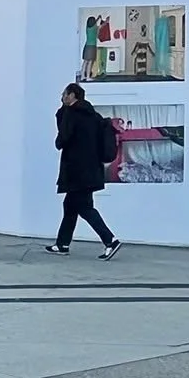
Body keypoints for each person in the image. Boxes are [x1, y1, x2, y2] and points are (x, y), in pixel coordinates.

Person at [46, 84, 122, 259]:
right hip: (91, 169)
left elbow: (63, 139)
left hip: (76, 170)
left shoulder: (71, 114)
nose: (62, 97)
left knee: (85, 208)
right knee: (70, 206)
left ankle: (110, 240)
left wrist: (62, 115)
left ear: (72, 95)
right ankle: (62, 244)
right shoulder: (93, 116)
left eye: (64, 94)